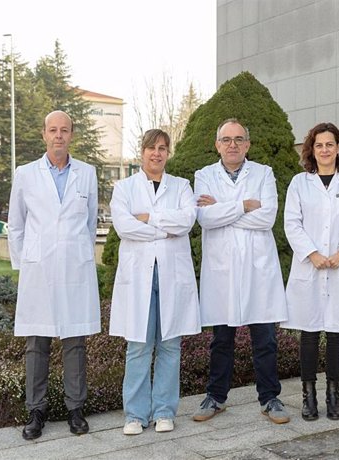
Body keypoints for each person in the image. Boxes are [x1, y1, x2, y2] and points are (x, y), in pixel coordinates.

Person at [8, 110, 100, 440]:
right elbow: (16, 225)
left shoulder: (87, 174)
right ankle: (37, 411)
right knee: (37, 343)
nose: (58, 135)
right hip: (39, 270)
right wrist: (26, 265)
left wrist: (76, 256)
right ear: (43, 134)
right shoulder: (26, 174)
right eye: (52, 130)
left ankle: (76, 409)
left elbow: (89, 225)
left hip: (74, 268)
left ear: (71, 135)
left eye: (64, 130)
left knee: (75, 342)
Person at [192, 118, 290, 424]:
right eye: (226, 139)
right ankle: (216, 397)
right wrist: (244, 205)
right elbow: (205, 219)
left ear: (247, 144)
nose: (232, 144)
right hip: (222, 271)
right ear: (217, 144)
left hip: (258, 269)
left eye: (238, 139)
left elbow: (267, 218)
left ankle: (270, 398)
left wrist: (222, 206)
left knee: (265, 339)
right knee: (221, 339)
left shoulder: (264, 173)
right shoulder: (203, 175)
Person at [108, 129, 201, 435]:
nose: (157, 153)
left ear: (168, 153)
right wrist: (165, 227)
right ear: (142, 151)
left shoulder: (181, 186)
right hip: (139, 276)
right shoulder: (124, 188)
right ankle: (135, 414)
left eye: (163, 148)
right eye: (151, 148)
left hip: (171, 274)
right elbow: (124, 227)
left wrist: (148, 218)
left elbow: (187, 220)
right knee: (138, 346)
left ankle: (164, 410)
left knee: (170, 345)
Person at [281, 122, 339, 421]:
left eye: (330, 144)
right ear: (312, 149)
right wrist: (313, 254)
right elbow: (292, 223)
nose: (324, 150)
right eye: (319, 145)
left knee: (335, 333)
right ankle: (309, 396)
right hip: (311, 267)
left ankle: (334, 395)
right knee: (308, 333)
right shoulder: (299, 183)